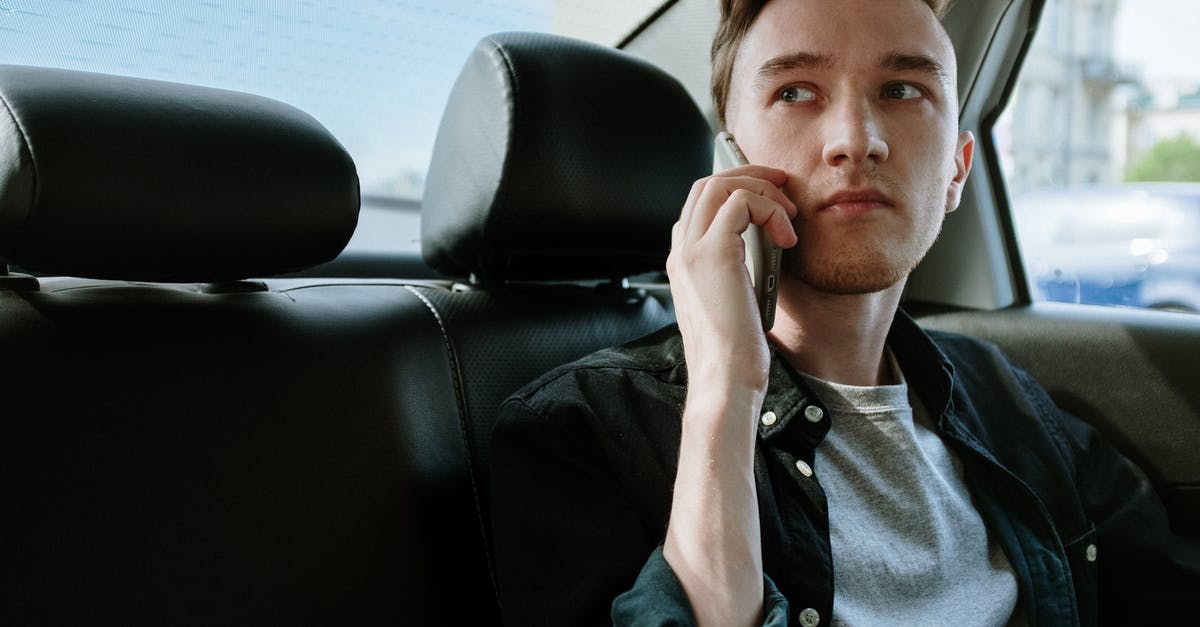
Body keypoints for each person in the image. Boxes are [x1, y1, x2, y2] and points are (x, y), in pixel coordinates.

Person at [489, 0, 1200, 625]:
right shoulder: (580, 431)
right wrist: (724, 394)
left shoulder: (1010, 402)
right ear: (727, 154)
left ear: (957, 168)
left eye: (902, 89)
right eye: (797, 90)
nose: (856, 138)